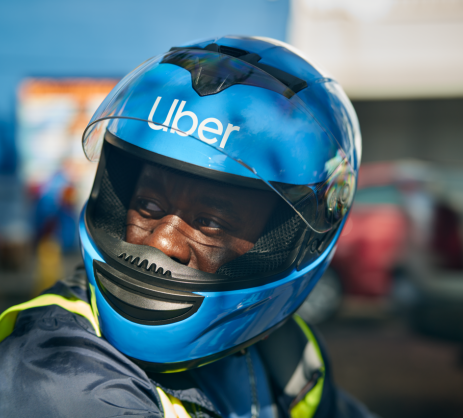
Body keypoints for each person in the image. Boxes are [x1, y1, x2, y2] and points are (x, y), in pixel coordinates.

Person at [0, 36, 375, 418]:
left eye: (209, 223)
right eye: (148, 206)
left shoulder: (286, 357)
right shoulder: (62, 377)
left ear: (297, 241)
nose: (163, 242)